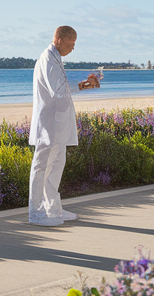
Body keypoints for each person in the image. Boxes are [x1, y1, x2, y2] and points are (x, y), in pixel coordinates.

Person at [28, 26, 100, 227]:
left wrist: (87, 84)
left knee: (57, 164)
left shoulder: (56, 59)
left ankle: (52, 208)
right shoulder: (48, 60)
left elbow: (63, 89)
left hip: (57, 123)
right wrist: (85, 84)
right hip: (48, 123)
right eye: (71, 43)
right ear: (58, 39)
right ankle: (36, 212)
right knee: (42, 165)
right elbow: (59, 91)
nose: (73, 48)